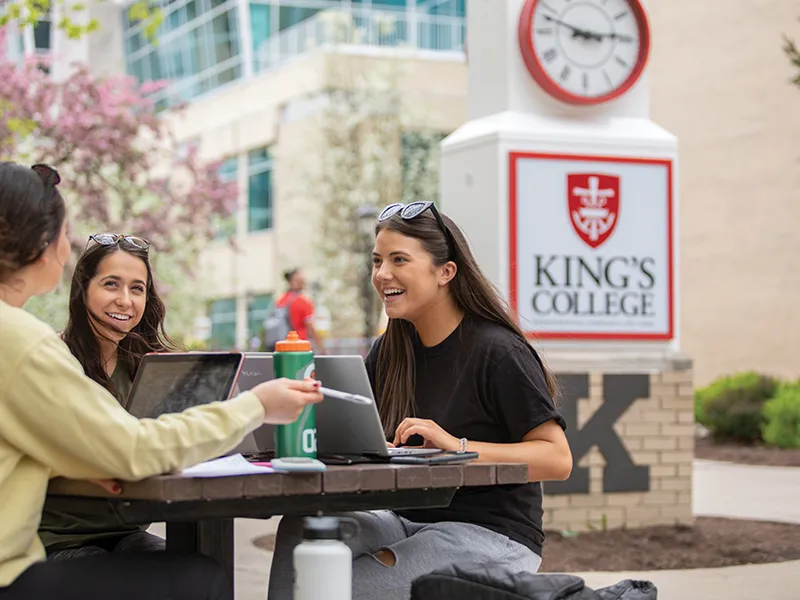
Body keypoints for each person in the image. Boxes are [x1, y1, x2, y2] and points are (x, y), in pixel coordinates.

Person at [0, 161, 323, 600]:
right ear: (42, 247)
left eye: (138, 288)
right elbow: (132, 449)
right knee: (200, 579)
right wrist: (258, 405)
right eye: (62, 235)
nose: (64, 248)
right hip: (18, 569)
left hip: (91, 538)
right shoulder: (24, 342)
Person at [268, 201, 573, 600]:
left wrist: (458, 448)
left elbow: (558, 459)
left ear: (445, 272)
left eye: (398, 260)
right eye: (377, 261)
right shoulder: (391, 349)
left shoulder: (499, 352)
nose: (382, 274)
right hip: (403, 516)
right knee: (304, 528)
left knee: (334, 588)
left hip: (492, 533)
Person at [39, 234, 178, 559]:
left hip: (124, 532)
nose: (125, 301)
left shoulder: (144, 368)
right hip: (53, 541)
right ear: (82, 289)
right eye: (111, 284)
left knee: (202, 569)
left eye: (137, 288)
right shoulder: (50, 359)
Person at [275, 268, 326, 353]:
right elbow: (311, 327)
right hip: (300, 348)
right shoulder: (303, 301)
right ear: (295, 281)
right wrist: (322, 348)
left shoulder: (281, 300)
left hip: (282, 348)